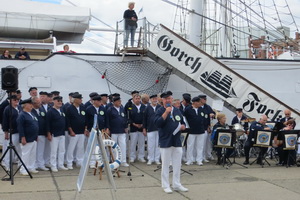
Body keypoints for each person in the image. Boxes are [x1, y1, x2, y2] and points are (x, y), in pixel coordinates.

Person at [154, 91, 188, 194]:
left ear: (172, 99)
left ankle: (176, 184)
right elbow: (158, 123)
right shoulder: (159, 110)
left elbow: (182, 122)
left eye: (169, 98)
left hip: (176, 141)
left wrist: (183, 126)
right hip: (165, 140)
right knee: (166, 164)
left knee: (177, 163)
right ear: (163, 100)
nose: (168, 100)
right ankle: (165, 185)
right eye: (166, 99)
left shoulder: (177, 110)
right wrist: (166, 112)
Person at [17, 98, 39, 175]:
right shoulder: (22, 115)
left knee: (32, 154)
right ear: (25, 105)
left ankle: (31, 167)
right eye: (29, 104)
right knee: (26, 154)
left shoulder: (32, 114)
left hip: (33, 138)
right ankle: (23, 169)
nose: (31, 105)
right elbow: (20, 127)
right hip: (27, 138)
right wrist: (23, 137)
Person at [66, 93, 88, 169]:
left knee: (80, 147)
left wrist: (85, 129)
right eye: (79, 99)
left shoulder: (82, 107)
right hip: (73, 132)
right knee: (71, 148)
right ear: (75, 100)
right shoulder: (69, 108)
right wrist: (71, 131)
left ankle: (79, 161)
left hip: (82, 131)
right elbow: (68, 121)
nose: (81, 100)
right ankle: (69, 163)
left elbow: (85, 119)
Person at [46, 96, 68, 172]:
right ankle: (53, 165)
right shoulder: (50, 111)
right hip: (54, 134)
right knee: (53, 151)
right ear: (54, 101)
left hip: (62, 133)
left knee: (62, 150)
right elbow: (47, 123)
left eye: (61, 101)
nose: (59, 102)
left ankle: (60, 165)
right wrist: (48, 133)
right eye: (58, 101)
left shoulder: (62, 110)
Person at [106, 96, 129, 167]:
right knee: (114, 147)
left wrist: (125, 127)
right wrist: (108, 128)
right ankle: (114, 160)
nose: (120, 102)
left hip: (122, 130)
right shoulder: (110, 110)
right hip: (114, 131)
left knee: (123, 145)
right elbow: (107, 120)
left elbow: (124, 118)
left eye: (120, 101)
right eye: (118, 101)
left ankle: (123, 161)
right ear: (114, 102)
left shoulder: (122, 109)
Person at [85, 95, 107, 168]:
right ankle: (92, 162)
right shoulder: (89, 109)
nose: (100, 102)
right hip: (92, 130)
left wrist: (106, 128)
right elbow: (86, 120)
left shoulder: (102, 108)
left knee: (100, 146)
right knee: (92, 147)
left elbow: (105, 118)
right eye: (99, 101)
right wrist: (86, 129)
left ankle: (100, 161)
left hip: (101, 130)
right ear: (95, 101)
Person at [2, 95, 22, 170]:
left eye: (17, 100)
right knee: (9, 150)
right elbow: (5, 122)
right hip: (12, 132)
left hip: (19, 131)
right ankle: (7, 165)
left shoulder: (20, 108)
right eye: (14, 100)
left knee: (19, 150)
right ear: (10, 101)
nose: (16, 101)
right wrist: (6, 132)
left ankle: (20, 164)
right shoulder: (7, 109)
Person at [184, 96, 206, 166]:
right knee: (190, 146)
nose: (200, 103)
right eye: (199, 102)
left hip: (200, 130)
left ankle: (199, 160)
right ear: (195, 102)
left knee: (200, 146)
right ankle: (190, 160)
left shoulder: (201, 109)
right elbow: (184, 119)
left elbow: (204, 118)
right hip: (191, 130)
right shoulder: (188, 109)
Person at [143, 94, 161, 165]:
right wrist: (144, 128)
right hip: (150, 129)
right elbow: (144, 119)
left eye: (156, 98)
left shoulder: (160, 107)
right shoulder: (147, 108)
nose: (155, 100)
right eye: (153, 99)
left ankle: (157, 159)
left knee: (158, 145)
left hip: (159, 129)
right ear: (150, 100)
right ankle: (150, 158)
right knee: (150, 145)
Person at [31, 97, 49, 171]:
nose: (40, 104)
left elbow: (45, 120)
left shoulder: (42, 109)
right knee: (34, 151)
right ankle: (34, 165)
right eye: (38, 103)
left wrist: (46, 132)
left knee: (41, 150)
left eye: (40, 102)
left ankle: (41, 164)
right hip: (34, 134)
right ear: (33, 104)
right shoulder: (31, 111)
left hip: (42, 133)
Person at [129, 94, 146, 162]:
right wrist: (134, 124)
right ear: (133, 99)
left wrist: (143, 124)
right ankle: (132, 156)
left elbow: (145, 117)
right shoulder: (130, 107)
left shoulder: (144, 107)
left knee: (141, 143)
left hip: (141, 127)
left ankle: (141, 156)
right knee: (133, 143)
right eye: (136, 98)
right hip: (133, 127)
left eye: (139, 98)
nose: (138, 100)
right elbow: (129, 117)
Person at [198, 94, 215, 161]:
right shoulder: (199, 107)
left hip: (208, 127)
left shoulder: (207, 107)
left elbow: (213, 113)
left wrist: (213, 114)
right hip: (202, 127)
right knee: (202, 143)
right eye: (204, 99)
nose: (205, 100)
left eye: (205, 99)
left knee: (208, 143)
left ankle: (208, 154)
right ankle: (202, 156)